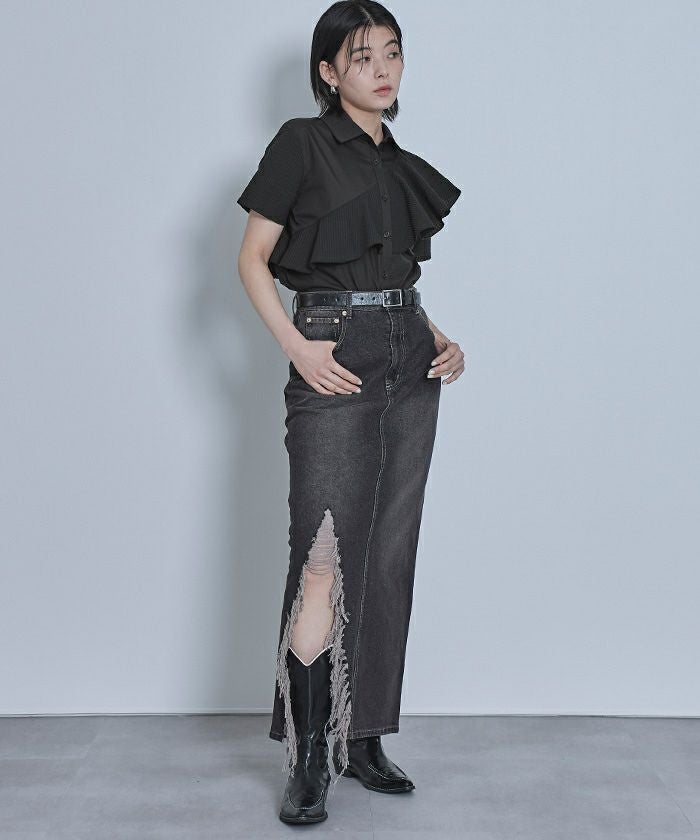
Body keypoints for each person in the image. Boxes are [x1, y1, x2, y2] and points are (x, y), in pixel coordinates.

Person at [236, 0, 465, 826]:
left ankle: (361, 735)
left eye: (392, 52)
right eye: (361, 56)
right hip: (333, 353)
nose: (381, 69)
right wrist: (297, 348)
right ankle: (310, 755)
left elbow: (393, 278)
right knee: (324, 555)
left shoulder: (395, 161)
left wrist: (438, 337)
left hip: (410, 353)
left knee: (388, 554)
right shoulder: (300, 143)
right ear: (329, 72)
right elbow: (252, 258)